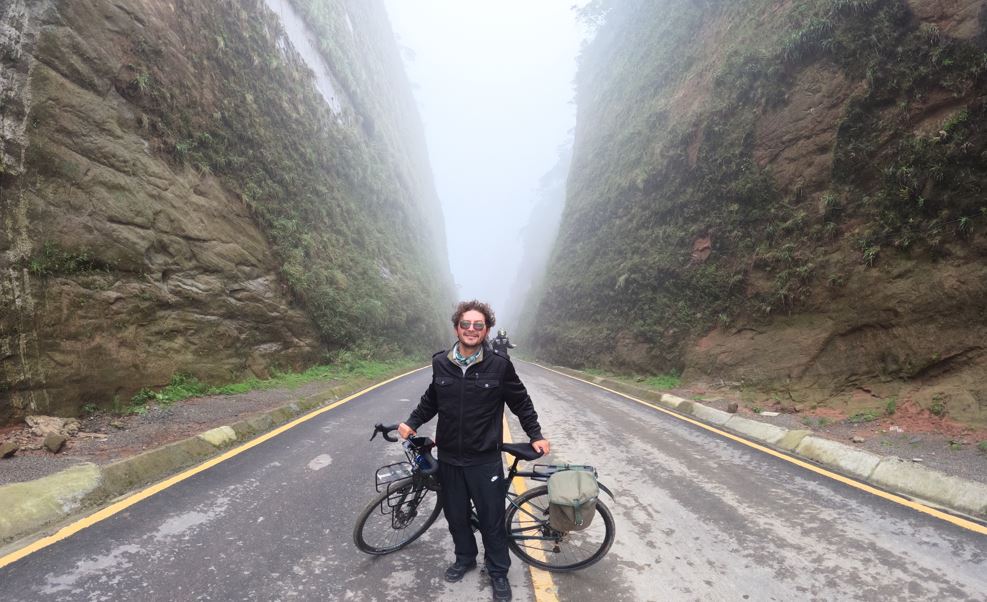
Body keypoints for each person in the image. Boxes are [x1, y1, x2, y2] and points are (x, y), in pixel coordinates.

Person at [398, 300, 549, 602]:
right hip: (451, 458)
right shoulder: (441, 362)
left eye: (478, 325)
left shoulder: (499, 365)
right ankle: (465, 558)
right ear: (456, 327)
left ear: (487, 330)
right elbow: (432, 398)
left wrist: (536, 434)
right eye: (465, 324)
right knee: (456, 517)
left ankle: (498, 572)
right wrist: (412, 421)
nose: (471, 329)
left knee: (492, 521)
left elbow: (520, 402)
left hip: (484, 460)